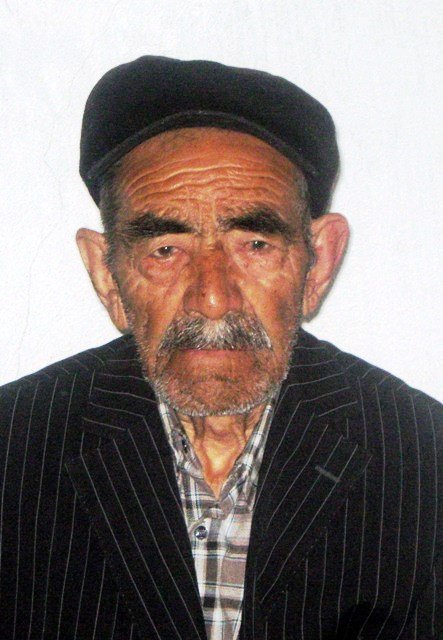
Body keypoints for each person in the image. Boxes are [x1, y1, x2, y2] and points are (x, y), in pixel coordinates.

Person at [0, 56, 441, 640]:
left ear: (318, 264)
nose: (212, 298)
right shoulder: (13, 451)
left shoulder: (423, 463)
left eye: (255, 244)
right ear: (107, 276)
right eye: (165, 249)